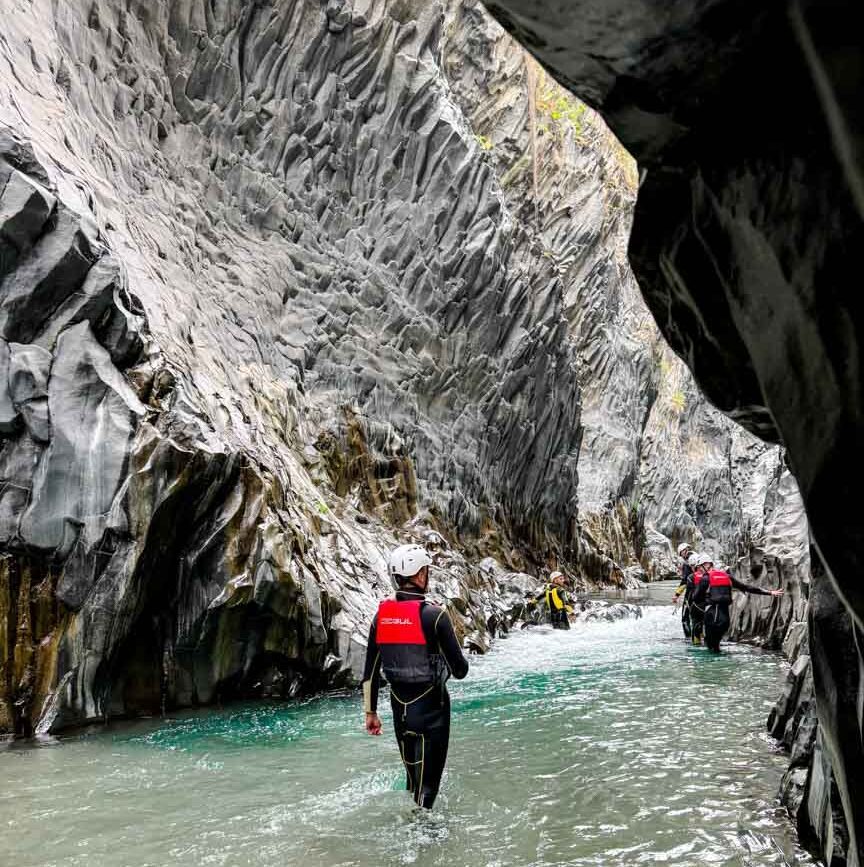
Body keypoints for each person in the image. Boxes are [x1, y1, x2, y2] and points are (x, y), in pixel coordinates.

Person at [362, 543, 469, 809]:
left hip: (400, 713)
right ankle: (426, 842)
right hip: (432, 713)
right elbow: (461, 670)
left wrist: (371, 713)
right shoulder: (435, 616)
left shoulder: (380, 617)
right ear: (419, 575)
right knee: (427, 792)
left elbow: (370, 672)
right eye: (426, 570)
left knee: (412, 783)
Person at [692, 553, 784, 652]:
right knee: (716, 647)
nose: (699, 570)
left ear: (706, 565)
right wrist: (770, 592)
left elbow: (696, 598)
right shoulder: (727, 577)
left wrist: (706, 599)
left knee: (710, 648)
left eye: (700, 567)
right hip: (725, 619)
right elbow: (747, 588)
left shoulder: (705, 578)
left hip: (712, 617)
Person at [672, 543, 694, 638]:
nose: (682, 557)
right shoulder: (700, 559)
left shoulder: (687, 563)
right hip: (703, 592)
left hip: (691, 593)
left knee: (685, 618)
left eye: (681, 554)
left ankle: (688, 638)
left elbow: (684, 581)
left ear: (684, 551)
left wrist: (676, 594)